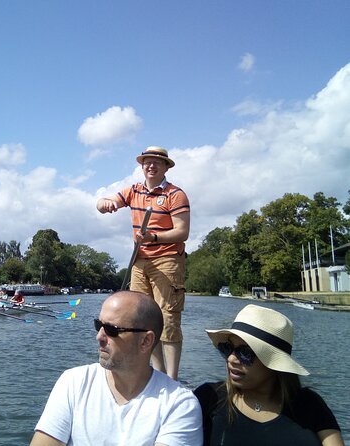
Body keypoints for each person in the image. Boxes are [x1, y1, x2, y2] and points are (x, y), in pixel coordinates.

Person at [30, 291, 202, 446]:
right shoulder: (73, 382)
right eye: (99, 325)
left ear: (145, 341)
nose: (99, 336)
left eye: (112, 330)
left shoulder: (179, 404)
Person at [96, 145, 190, 380]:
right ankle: (158, 374)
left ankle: (173, 378)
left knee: (168, 318)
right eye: (147, 161)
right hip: (140, 260)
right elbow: (103, 203)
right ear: (141, 165)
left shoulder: (175, 194)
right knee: (145, 319)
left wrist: (154, 237)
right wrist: (104, 204)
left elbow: (182, 231)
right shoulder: (134, 191)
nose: (151, 165)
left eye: (157, 162)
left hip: (167, 259)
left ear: (165, 166)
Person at [194, 304, 344, 446]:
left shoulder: (310, 404)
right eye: (227, 348)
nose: (232, 359)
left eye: (245, 353)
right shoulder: (209, 398)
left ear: (275, 364)